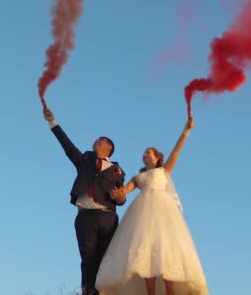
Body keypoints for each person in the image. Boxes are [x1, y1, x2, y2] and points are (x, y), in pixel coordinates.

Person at [95, 117, 208, 295]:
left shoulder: (163, 171)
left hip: (164, 214)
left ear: (156, 158)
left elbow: (176, 152)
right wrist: (117, 193)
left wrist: (186, 130)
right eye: (144, 153)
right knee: (146, 254)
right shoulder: (138, 178)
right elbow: (125, 190)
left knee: (167, 253)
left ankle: (170, 292)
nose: (145, 154)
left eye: (149, 152)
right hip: (142, 216)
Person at [43, 108, 127, 295]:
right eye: (96, 139)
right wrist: (52, 122)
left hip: (108, 217)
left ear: (109, 148)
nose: (97, 140)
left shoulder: (117, 171)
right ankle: (88, 291)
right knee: (88, 256)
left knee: (105, 257)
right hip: (85, 216)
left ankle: (105, 290)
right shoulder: (84, 160)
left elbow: (121, 197)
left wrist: (121, 198)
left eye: (102, 139)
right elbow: (67, 145)